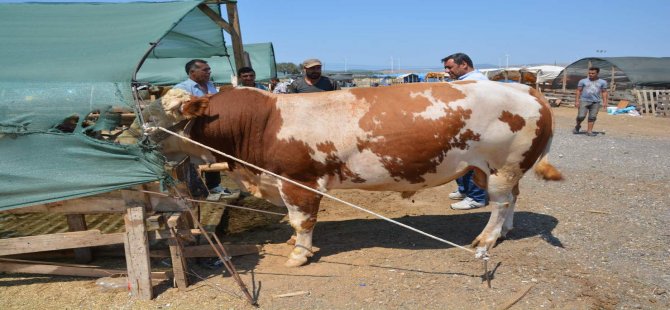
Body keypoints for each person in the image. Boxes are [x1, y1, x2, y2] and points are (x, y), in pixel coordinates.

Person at [173, 59, 232, 196]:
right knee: (192, 159)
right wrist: (202, 99)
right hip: (191, 130)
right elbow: (180, 109)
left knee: (212, 155)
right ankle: (193, 188)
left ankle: (214, 186)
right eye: (205, 70)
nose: (209, 72)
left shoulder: (210, 85)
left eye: (209, 69)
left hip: (211, 127)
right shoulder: (180, 88)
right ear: (192, 72)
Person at [441, 53, 489, 210]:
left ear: (464, 65)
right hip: (463, 128)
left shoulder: (477, 82)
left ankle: (476, 197)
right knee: (460, 161)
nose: (447, 71)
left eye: (450, 67)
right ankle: (464, 190)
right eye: (446, 68)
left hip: (475, 129)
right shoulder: (462, 81)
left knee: (473, 163)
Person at [574, 67, 608, 136]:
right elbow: (578, 90)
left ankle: (589, 131)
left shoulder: (602, 82)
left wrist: (605, 102)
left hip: (596, 102)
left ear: (597, 73)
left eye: (593, 73)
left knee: (592, 117)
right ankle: (578, 126)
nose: (591, 74)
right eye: (589, 73)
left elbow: (604, 92)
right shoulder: (583, 81)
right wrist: (577, 101)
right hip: (584, 100)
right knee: (581, 116)